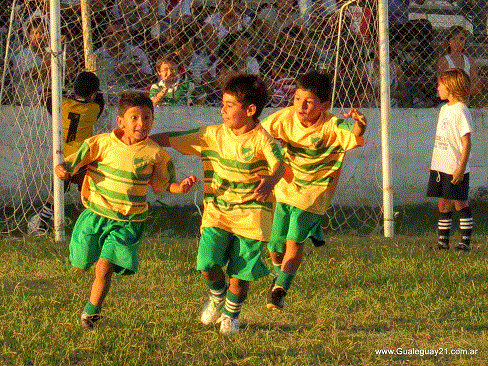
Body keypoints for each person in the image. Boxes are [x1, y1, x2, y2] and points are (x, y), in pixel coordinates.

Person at [150, 74, 285, 333]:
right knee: (207, 264)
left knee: (240, 272)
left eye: (229, 105)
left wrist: (270, 181)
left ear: (250, 110)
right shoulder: (210, 135)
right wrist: (140, 140)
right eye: (222, 104)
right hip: (217, 212)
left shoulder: (262, 139)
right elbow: (171, 138)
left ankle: (231, 316)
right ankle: (216, 296)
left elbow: (279, 164)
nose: (222, 109)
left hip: (252, 215)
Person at [54, 91, 197, 328]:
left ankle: (91, 311)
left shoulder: (156, 154)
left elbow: (162, 185)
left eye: (147, 118)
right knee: (80, 265)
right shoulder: (100, 143)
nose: (141, 123)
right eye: (135, 117)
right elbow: (73, 160)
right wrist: (63, 168)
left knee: (104, 267)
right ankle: (85, 275)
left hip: (128, 221)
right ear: (120, 121)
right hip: (97, 214)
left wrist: (180, 188)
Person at [260, 71, 367, 311]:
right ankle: (280, 276)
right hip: (286, 188)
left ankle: (280, 290)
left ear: (324, 105)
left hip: (315, 194)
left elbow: (354, 134)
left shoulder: (332, 125)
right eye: (297, 99)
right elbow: (260, 134)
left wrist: (360, 125)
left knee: (293, 241)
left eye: (308, 101)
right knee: (274, 247)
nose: (301, 105)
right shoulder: (285, 118)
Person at [28, 71, 104, 235]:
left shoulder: (62, 105)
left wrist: (64, 91)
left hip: (63, 158)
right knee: (86, 194)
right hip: (83, 159)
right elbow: (100, 101)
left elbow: (47, 97)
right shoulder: (93, 109)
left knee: (56, 193)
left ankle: (42, 224)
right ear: (93, 94)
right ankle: (90, 227)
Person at [427, 68, 473, 252]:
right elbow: (441, 139)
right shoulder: (444, 110)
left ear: (451, 88)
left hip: (455, 168)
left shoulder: (461, 111)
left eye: (440, 84)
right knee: (443, 203)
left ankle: (464, 243)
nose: (437, 88)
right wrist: (434, 164)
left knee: (460, 202)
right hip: (441, 167)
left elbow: (466, 142)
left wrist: (461, 168)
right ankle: (442, 244)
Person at [95, 19, 153, 104]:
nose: (115, 37)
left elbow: (149, 82)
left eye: (119, 33)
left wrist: (132, 71)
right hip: (105, 103)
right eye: (110, 33)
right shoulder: (97, 56)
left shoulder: (137, 52)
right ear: (104, 35)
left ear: (125, 33)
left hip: (133, 102)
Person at [9, 17, 50, 106]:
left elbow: (71, 72)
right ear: (29, 36)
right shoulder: (23, 54)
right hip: (26, 106)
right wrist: (52, 59)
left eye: (41, 33)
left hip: (48, 105)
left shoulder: (50, 53)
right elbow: (35, 75)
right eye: (34, 33)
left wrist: (65, 46)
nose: (38, 36)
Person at [437, 25, 480, 95]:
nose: (458, 42)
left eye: (461, 39)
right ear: (448, 41)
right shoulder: (444, 60)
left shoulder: (470, 61)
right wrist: (467, 86)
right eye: (454, 38)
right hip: (447, 101)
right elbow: (447, 88)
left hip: (465, 100)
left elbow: (476, 88)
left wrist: (458, 86)